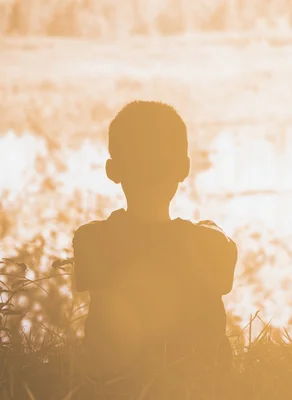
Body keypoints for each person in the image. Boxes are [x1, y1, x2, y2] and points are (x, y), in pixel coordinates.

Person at [72, 101, 238, 389]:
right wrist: (211, 228)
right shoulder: (210, 243)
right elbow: (224, 275)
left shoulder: (92, 240)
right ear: (184, 169)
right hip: (201, 387)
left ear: (113, 171)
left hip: (117, 388)